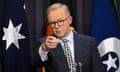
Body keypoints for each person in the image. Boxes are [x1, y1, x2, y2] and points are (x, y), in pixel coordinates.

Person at [32, 2, 105, 72]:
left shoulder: (89, 43)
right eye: (52, 23)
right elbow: (35, 63)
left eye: (60, 21)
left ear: (70, 20)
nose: (56, 26)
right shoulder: (45, 43)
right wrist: (44, 48)